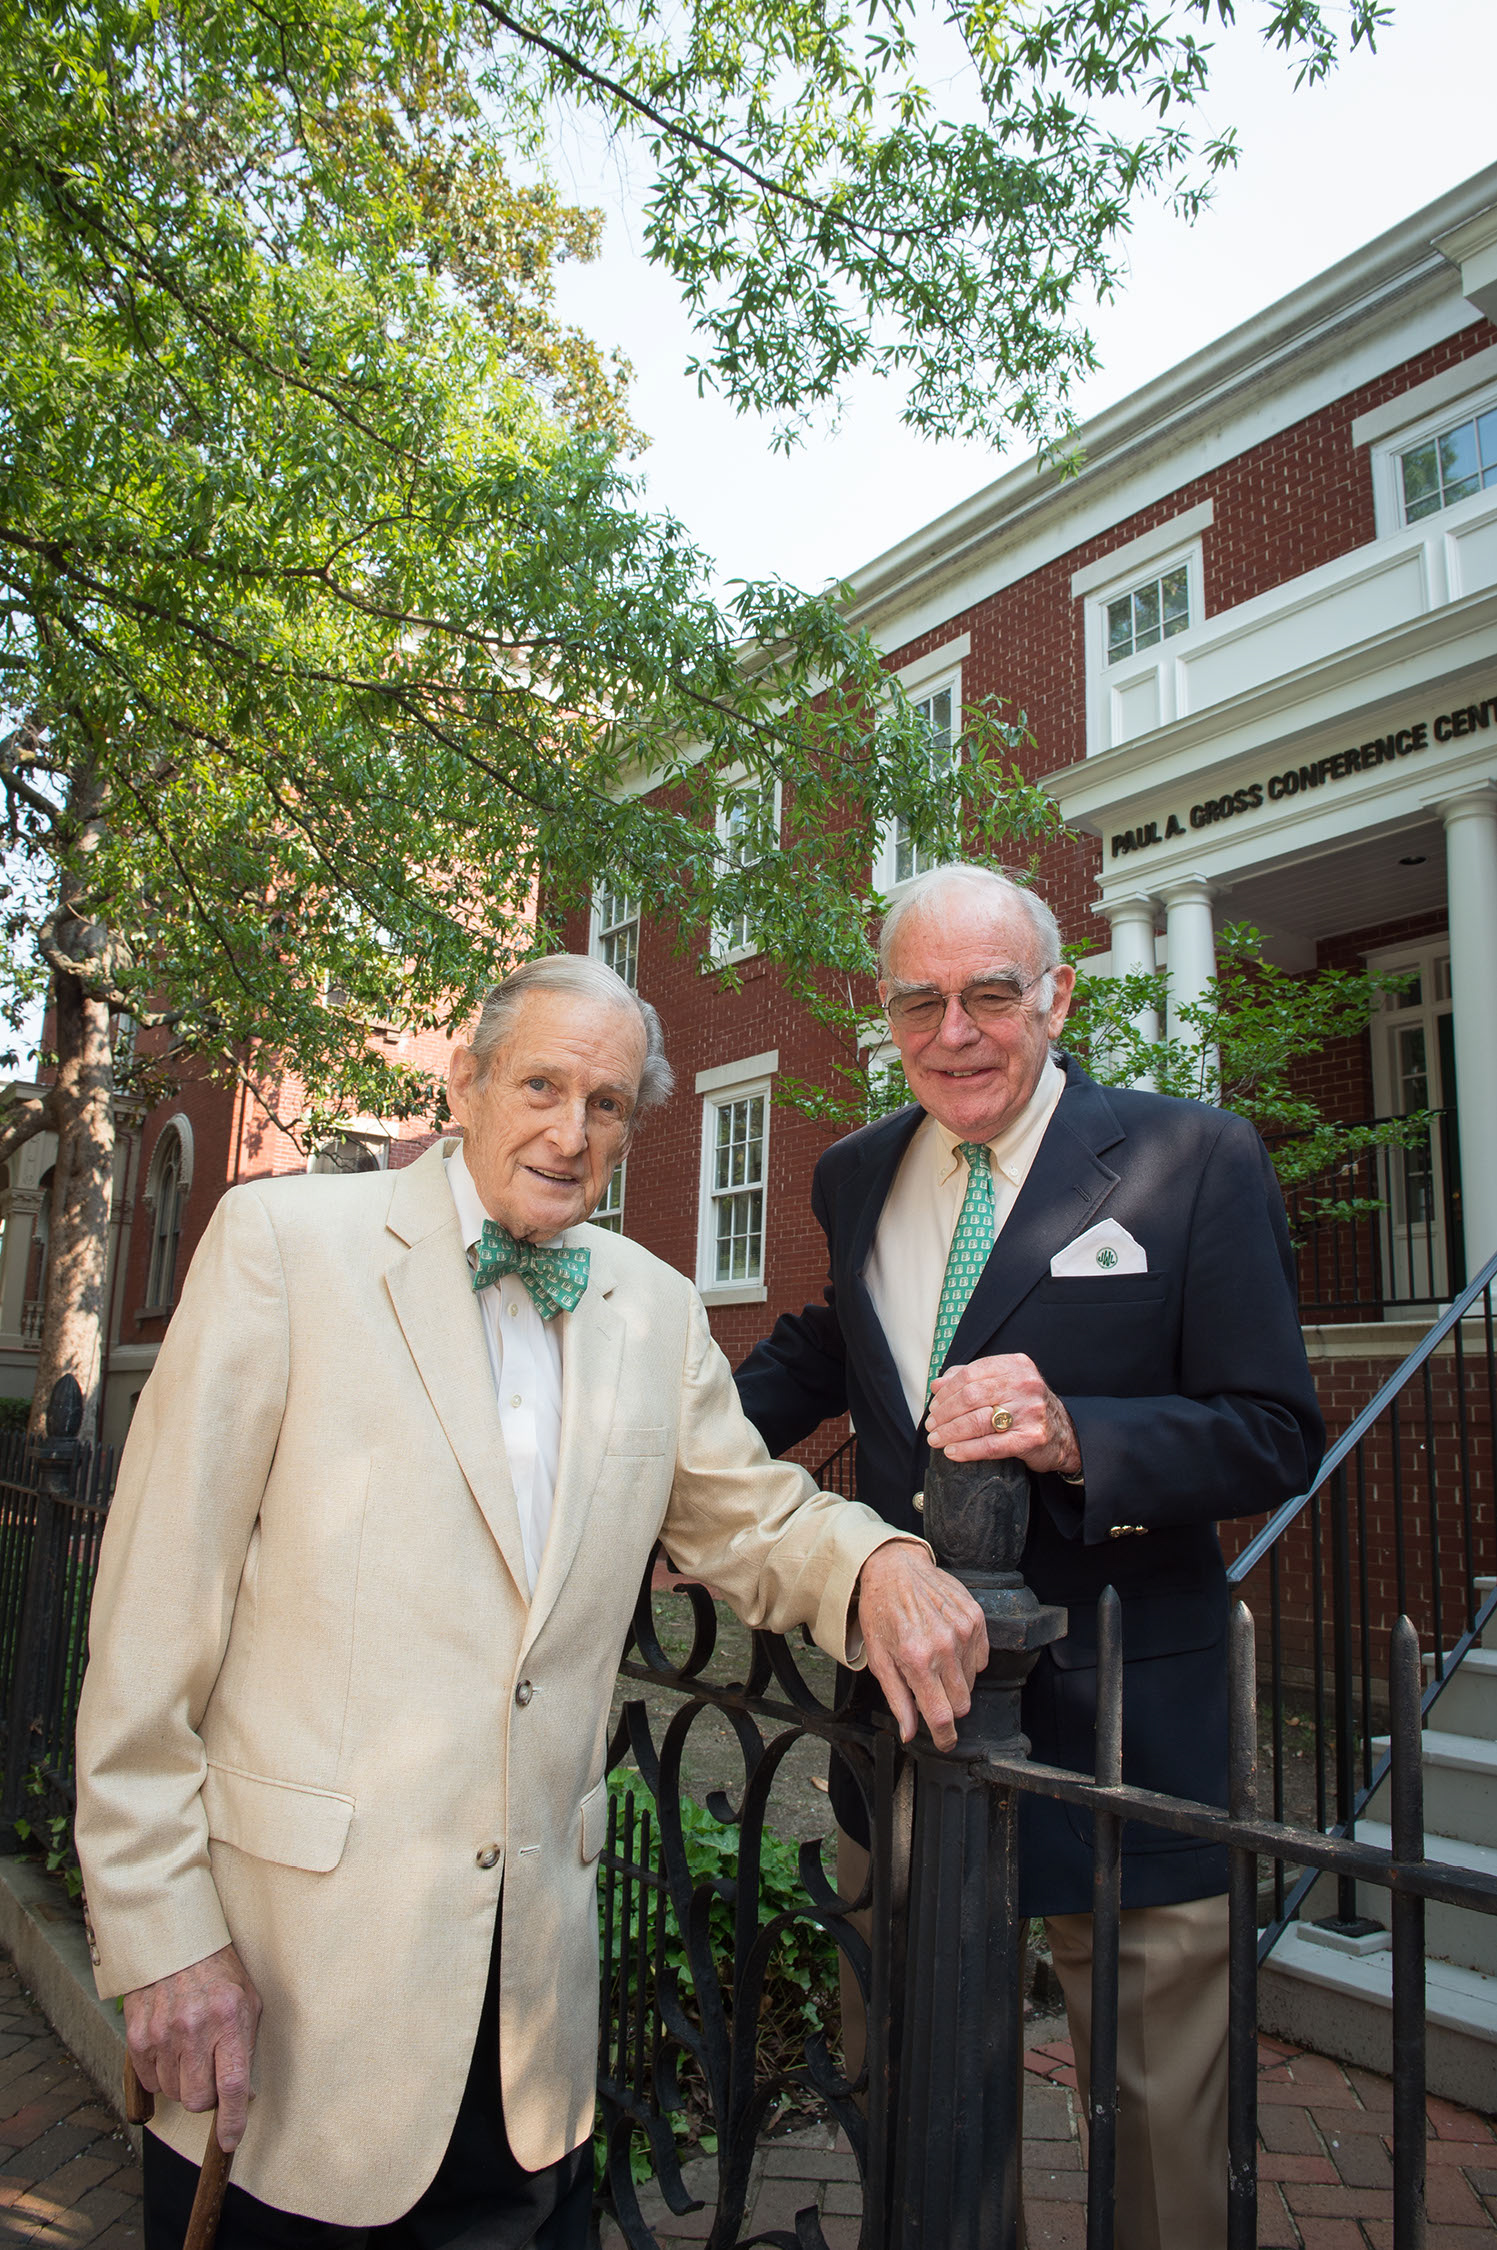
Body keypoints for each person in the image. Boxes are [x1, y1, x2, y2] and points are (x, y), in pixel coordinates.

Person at [74, 954, 986, 2250]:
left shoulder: (653, 1308)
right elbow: (151, 1618)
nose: (570, 1132)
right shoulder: (286, 1246)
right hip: (294, 2012)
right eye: (541, 1085)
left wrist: (873, 1562)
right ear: (465, 1080)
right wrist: (164, 1938)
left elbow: (747, 1514)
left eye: (607, 1103)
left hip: (528, 2041)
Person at [734, 863, 1324, 2250]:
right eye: (919, 1000)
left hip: (1127, 1717)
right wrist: (660, 1456)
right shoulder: (854, 1169)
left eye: (989, 992)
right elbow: (840, 1350)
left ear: (1054, 996)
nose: (955, 1030)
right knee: (911, 2069)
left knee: (1159, 2112)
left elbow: (1270, 1430)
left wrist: (1078, 1435)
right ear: (887, 1016)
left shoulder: (1190, 1158)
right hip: (908, 1701)